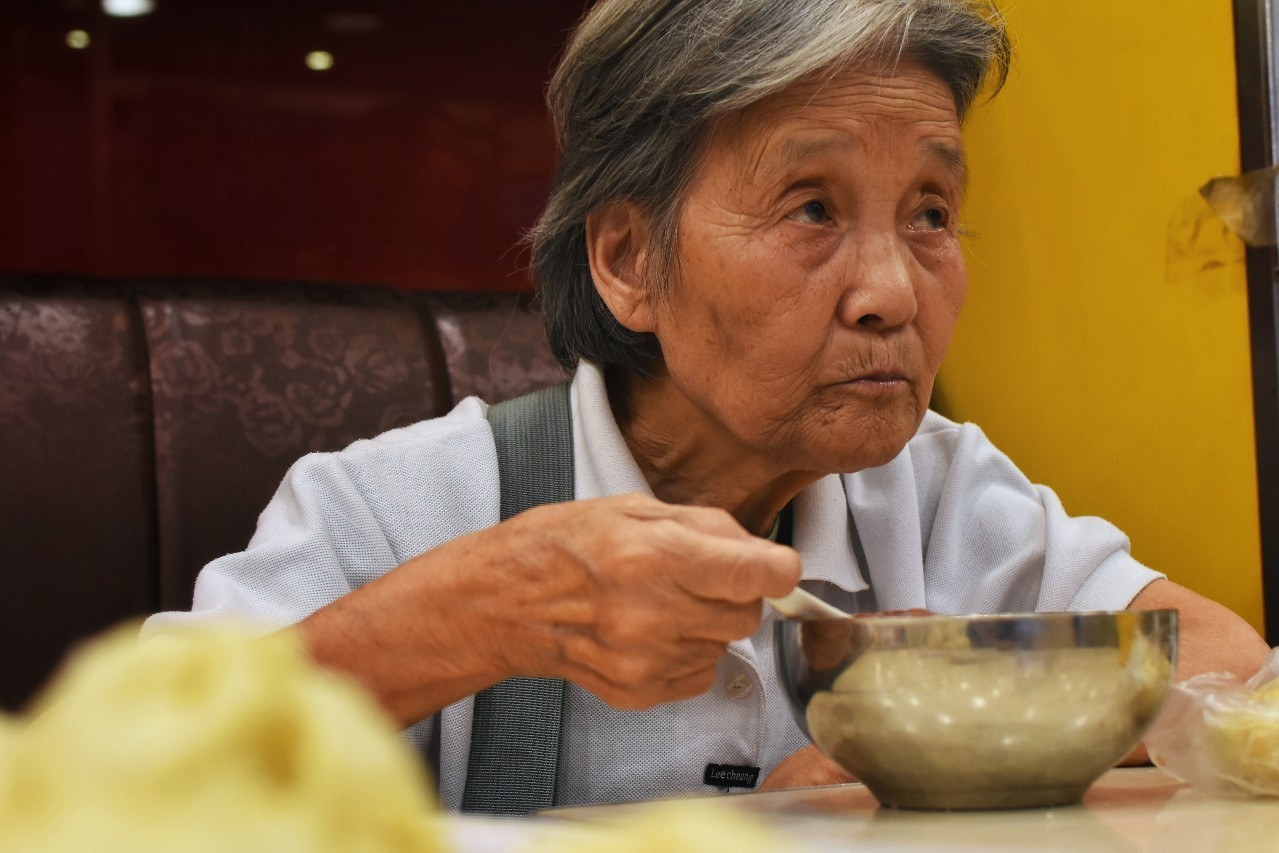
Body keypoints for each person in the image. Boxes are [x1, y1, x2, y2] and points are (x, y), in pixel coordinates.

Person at [145, 0, 1269, 809]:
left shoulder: (931, 489)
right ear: (628, 259)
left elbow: (1220, 659)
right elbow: (125, 773)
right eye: (811, 207)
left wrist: (934, 751)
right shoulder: (396, 507)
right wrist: (481, 610)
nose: (891, 292)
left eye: (930, 211)